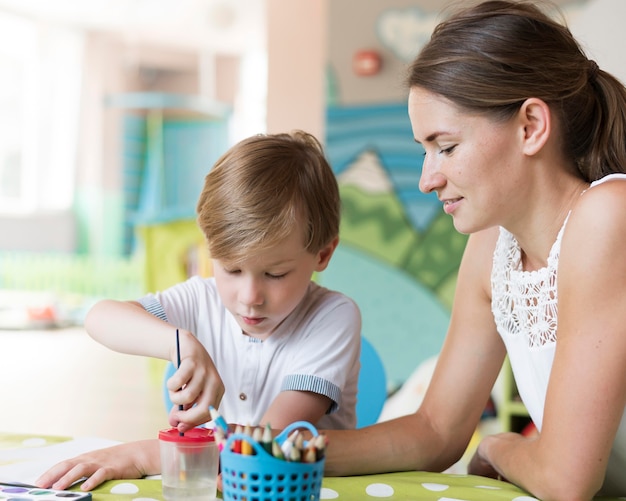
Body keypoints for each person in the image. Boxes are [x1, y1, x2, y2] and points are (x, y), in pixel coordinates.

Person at [320, 2, 626, 500]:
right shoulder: (493, 249)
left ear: (530, 126)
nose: (426, 179)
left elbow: (567, 480)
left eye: (446, 147)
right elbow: (437, 431)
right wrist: (294, 449)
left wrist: (497, 447)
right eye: (424, 150)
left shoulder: (609, 212)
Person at [36, 130, 361, 491]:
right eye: (231, 269)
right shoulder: (200, 299)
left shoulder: (334, 316)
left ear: (322, 255)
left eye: (275, 274)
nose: (249, 296)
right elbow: (100, 318)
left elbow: (270, 439)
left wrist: (145, 455)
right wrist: (180, 342)